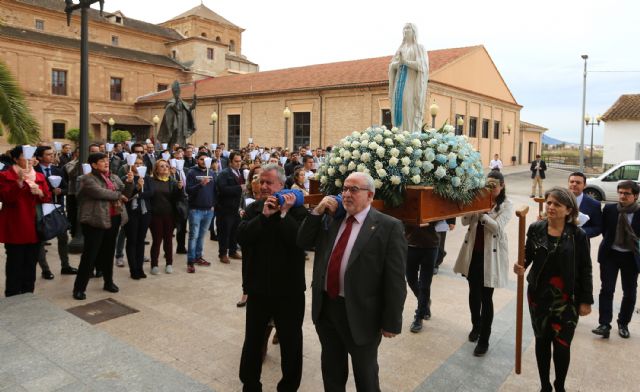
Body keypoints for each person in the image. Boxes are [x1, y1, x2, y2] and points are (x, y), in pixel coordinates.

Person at [297, 172, 407, 391]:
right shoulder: (332, 217)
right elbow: (302, 241)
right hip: (327, 310)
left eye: (354, 190)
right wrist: (317, 211)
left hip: (362, 315)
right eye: (345, 189)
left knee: (365, 377)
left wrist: (391, 321)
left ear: (370, 196)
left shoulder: (388, 226)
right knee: (332, 372)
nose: (347, 194)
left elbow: (395, 280)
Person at [514, 187, 593, 392]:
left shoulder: (578, 235)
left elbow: (586, 268)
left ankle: (560, 385)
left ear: (569, 210)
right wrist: (520, 264)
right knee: (542, 341)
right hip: (538, 296)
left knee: (562, 344)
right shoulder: (535, 228)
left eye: (557, 204)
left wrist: (586, 300)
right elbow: (528, 255)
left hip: (567, 299)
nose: (551, 207)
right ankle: (544, 385)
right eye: (549, 202)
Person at [237, 164, 308, 391]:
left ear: (281, 185)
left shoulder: (298, 211)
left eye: (269, 182)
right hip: (258, 289)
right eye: (261, 182)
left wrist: (283, 214)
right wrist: (264, 217)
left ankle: (288, 387)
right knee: (253, 341)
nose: (264, 186)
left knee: (291, 343)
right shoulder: (254, 208)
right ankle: (250, 384)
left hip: (289, 291)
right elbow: (243, 237)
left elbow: (300, 241)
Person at [454, 171, 514, 356]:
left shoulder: (506, 205)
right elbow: (464, 221)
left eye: (494, 186)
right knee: (474, 293)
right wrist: (472, 208)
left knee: (486, 298)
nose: (490, 189)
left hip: (491, 257)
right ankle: (476, 326)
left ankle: (484, 339)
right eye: (487, 185)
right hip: (473, 254)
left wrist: (482, 214)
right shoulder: (479, 199)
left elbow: (497, 227)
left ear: (502, 186)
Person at [72, 152, 132, 300]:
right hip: (95, 221)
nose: (106, 163)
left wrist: (130, 183)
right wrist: (119, 194)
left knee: (108, 252)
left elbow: (126, 194)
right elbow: (100, 193)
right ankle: (79, 288)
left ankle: (108, 282)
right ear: (93, 165)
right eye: (102, 161)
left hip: (114, 218)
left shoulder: (113, 177)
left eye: (107, 160)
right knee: (90, 255)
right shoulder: (86, 179)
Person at [0, 146, 51, 297]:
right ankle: (12, 294)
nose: (29, 160)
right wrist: (19, 183)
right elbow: (6, 198)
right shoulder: (5, 175)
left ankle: (28, 294)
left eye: (32, 156)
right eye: (25, 156)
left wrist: (40, 192)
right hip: (16, 225)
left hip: (36, 226)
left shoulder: (39, 177)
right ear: (15, 159)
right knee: (15, 264)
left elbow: (47, 198)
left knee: (30, 264)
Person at [592, 180, 640, 339]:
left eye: (627, 193)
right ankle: (604, 324)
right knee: (607, 289)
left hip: (631, 257)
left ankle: (623, 323)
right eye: (620, 192)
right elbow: (605, 231)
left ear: (635, 196)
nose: (622, 196)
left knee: (630, 293)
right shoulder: (610, 209)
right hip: (610, 255)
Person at [34, 145, 77, 279]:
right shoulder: (34, 171)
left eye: (52, 154)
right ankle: (45, 269)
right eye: (48, 154)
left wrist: (60, 191)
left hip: (56, 207)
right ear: (40, 157)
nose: (52, 156)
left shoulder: (57, 170)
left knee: (63, 237)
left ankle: (65, 265)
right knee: (41, 238)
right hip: (40, 209)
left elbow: (65, 187)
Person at [388, 23, 428, 132]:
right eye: (404, 28)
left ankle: (410, 134)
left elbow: (422, 65)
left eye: (408, 28)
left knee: (408, 106)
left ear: (414, 31)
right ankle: (398, 135)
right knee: (398, 107)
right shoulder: (400, 49)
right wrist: (398, 64)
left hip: (410, 84)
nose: (406, 30)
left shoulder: (419, 48)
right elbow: (392, 65)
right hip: (398, 85)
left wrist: (406, 62)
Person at [148, 159, 184, 275]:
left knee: (168, 240)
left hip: (169, 215)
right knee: (157, 241)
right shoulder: (151, 181)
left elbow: (177, 199)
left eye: (167, 166)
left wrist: (179, 189)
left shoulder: (172, 181)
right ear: (156, 169)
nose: (165, 168)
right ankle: (154, 265)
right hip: (155, 215)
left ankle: (169, 263)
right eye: (162, 166)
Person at [405, 222, 439, 333]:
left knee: (424, 284)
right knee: (410, 279)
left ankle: (419, 317)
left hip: (430, 246)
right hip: (411, 245)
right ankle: (425, 302)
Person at [122, 157, 153, 279]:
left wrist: (138, 194)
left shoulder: (147, 179)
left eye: (141, 164)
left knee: (141, 240)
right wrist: (137, 188)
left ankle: (140, 268)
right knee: (132, 240)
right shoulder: (127, 178)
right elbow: (126, 195)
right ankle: (133, 269)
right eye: (136, 163)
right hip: (131, 212)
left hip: (145, 212)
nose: (139, 165)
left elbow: (151, 193)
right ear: (131, 165)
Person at [185, 152, 216, 273]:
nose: (204, 161)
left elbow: (215, 191)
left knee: (202, 236)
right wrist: (201, 184)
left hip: (209, 210)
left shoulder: (212, 173)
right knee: (193, 236)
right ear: (197, 160)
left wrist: (213, 204)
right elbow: (188, 190)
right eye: (201, 159)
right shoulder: (192, 172)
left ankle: (198, 257)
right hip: (195, 209)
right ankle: (190, 261)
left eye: (206, 159)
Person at [216, 152, 244, 264]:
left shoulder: (240, 173)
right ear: (230, 162)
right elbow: (222, 189)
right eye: (236, 161)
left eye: (240, 161)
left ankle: (232, 251)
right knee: (224, 231)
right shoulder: (224, 173)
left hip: (236, 207)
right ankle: (223, 253)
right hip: (225, 208)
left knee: (234, 231)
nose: (238, 163)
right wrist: (239, 188)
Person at [158, 80, 197, 147]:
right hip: (176, 123)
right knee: (175, 138)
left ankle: (181, 150)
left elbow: (190, 108)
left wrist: (194, 101)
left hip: (183, 123)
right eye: (176, 91)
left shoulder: (182, 102)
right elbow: (173, 107)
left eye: (178, 91)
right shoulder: (171, 102)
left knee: (182, 138)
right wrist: (176, 101)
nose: (178, 93)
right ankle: (173, 150)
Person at [567, 172, 602, 239]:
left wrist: (579, 233)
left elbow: (597, 228)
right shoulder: (558, 200)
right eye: (572, 182)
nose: (574, 184)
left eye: (578, 182)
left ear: (585, 185)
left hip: (580, 244)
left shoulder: (594, 204)